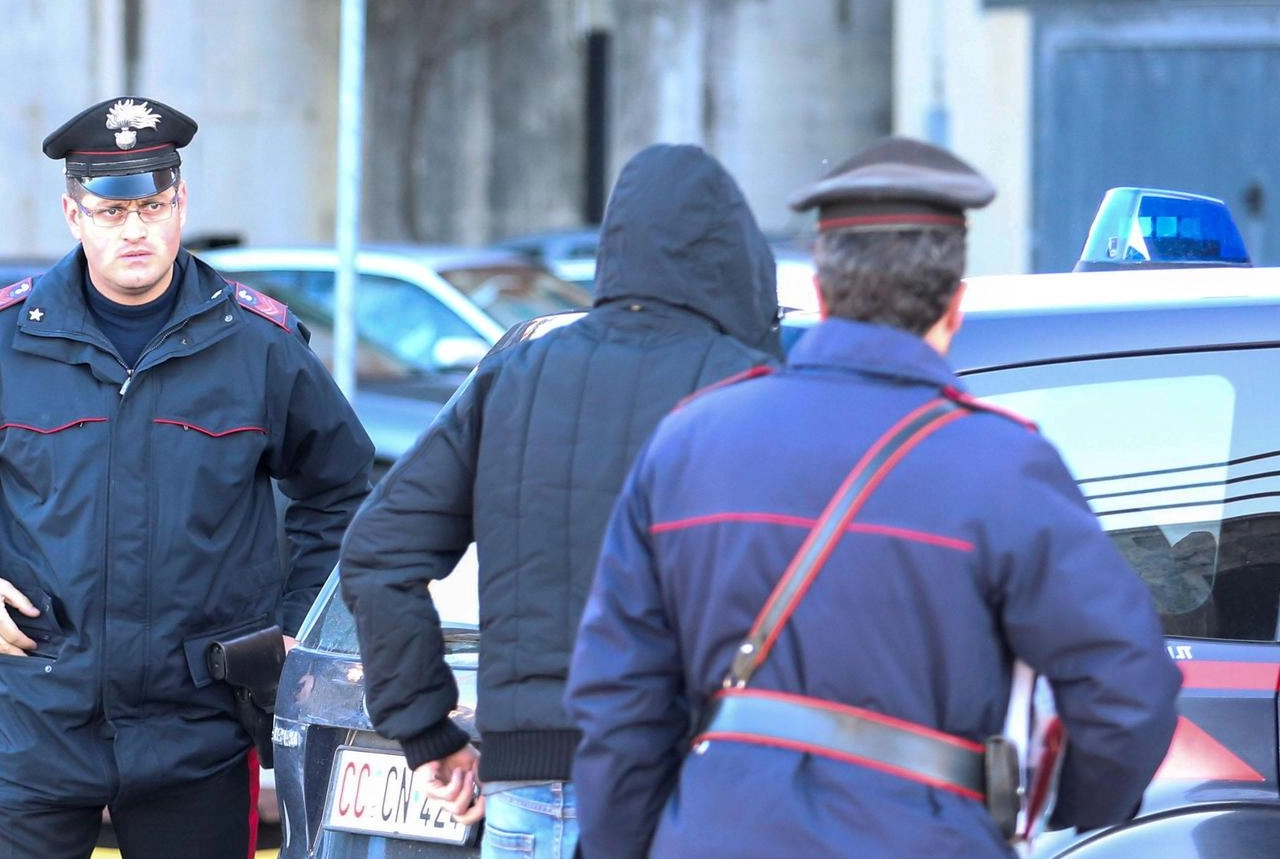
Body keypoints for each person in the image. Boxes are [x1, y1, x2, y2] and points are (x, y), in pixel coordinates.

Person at [564, 137, 1182, 859]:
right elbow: (1129, 689)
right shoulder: (1005, 466)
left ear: (821, 295)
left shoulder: (687, 444)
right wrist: (1046, 804)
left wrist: (637, 842)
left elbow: (618, 699)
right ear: (955, 304)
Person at [0, 96, 374, 859]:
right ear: (74, 215)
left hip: (199, 723)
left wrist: (295, 623)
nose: (135, 230)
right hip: (37, 713)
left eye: (152, 206)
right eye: (112, 213)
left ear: (182, 204)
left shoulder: (258, 346)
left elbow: (339, 484)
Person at [336, 144, 782, 858]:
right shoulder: (748, 385)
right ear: (734, 257)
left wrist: (428, 730)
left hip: (526, 789)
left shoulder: (516, 374)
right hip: (684, 784)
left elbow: (376, 553)